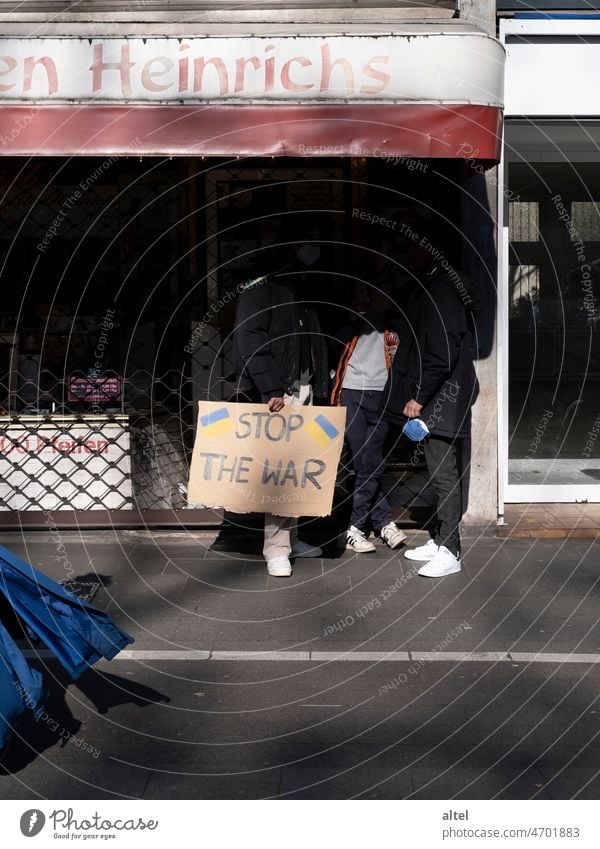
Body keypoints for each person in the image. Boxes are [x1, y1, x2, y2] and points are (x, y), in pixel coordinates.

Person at [382, 230, 479, 577]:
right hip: (443, 395)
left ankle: (450, 551)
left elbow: (440, 353)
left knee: (444, 475)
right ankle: (440, 541)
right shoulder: (438, 287)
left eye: (409, 248)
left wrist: (418, 398)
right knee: (440, 472)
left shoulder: (439, 290)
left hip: (443, 398)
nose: (404, 256)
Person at [232, 260, 329, 577]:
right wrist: (271, 385)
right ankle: (276, 548)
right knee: (280, 473)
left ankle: (291, 538)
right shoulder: (262, 288)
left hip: (302, 390)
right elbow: (250, 336)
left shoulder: (297, 290)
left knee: (296, 471)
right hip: (281, 395)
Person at [330, 262, 407, 553]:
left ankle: (359, 526)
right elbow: (333, 336)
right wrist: (354, 314)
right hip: (351, 392)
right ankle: (381, 522)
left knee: (370, 460)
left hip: (384, 394)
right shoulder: (353, 302)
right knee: (366, 461)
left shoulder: (401, 314)